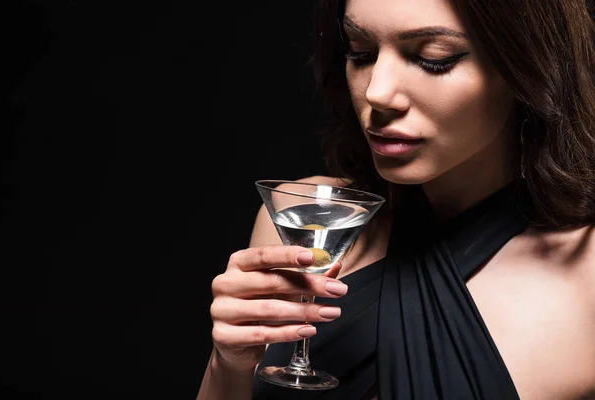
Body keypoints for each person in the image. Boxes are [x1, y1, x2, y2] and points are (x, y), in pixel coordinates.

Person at [197, 0, 595, 398]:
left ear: (527, 66)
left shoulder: (585, 274)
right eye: (361, 52)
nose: (377, 93)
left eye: (434, 59)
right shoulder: (308, 220)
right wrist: (229, 363)